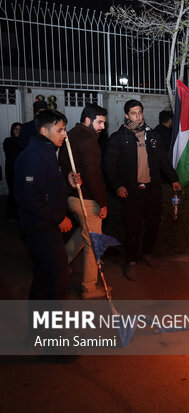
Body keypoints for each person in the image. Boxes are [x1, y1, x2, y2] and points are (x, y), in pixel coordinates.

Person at [104, 100, 182, 281]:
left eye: (140, 112)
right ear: (126, 115)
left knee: (153, 225)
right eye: (133, 113)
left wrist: (173, 179)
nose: (138, 116)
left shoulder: (153, 135)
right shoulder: (118, 138)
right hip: (131, 192)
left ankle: (148, 253)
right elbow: (109, 166)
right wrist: (118, 185)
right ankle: (131, 261)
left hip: (152, 190)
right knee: (132, 228)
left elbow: (163, 160)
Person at [14, 110, 80, 299]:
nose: (64, 134)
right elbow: (28, 197)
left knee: (44, 275)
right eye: (60, 130)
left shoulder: (47, 150)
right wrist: (58, 217)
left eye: (64, 129)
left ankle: (40, 326)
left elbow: (48, 188)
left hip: (47, 225)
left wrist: (68, 184)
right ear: (44, 130)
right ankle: (51, 327)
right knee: (58, 278)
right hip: (40, 227)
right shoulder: (33, 156)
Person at [58, 104, 109, 299]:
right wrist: (102, 202)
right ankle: (89, 287)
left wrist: (69, 178)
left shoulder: (69, 134)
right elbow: (93, 175)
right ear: (88, 120)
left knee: (83, 233)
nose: (103, 127)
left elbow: (62, 164)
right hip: (86, 199)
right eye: (100, 122)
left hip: (71, 197)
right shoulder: (89, 140)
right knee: (94, 243)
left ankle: (60, 264)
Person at [3, 122, 22, 220]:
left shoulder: (23, 142)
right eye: (16, 129)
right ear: (12, 130)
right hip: (11, 170)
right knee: (12, 192)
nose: (18, 131)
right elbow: (12, 153)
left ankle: (19, 214)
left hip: (21, 171)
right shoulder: (8, 141)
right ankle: (10, 215)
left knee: (21, 193)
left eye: (20, 129)